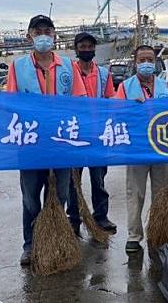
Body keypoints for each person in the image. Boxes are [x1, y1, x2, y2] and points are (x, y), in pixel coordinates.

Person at [6, 15, 87, 265]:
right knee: (30, 197)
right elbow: (11, 103)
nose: (43, 35)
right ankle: (30, 244)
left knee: (60, 194)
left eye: (47, 31)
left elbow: (80, 100)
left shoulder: (67, 66)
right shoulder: (17, 66)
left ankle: (53, 237)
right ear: (29, 35)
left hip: (61, 144)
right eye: (37, 31)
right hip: (30, 145)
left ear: (54, 35)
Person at [115, 45, 168, 253]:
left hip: (162, 146)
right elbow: (116, 114)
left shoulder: (166, 86)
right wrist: (131, 107)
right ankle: (133, 236)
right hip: (136, 148)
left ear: (155, 61)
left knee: (161, 193)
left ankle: (158, 230)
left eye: (150, 59)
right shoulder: (125, 87)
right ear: (135, 62)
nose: (146, 63)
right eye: (142, 60)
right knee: (135, 193)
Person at [66, 32, 117, 236]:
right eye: (83, 46)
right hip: (75, 134)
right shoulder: (68, 72)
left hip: (97, 135)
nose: (86, 50)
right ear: (76, 49)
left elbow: (110, 100)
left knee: (99, 179)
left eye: (90, 46)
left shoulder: (104, 74)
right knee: (72, 181)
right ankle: (74, 218)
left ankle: (101, 216)